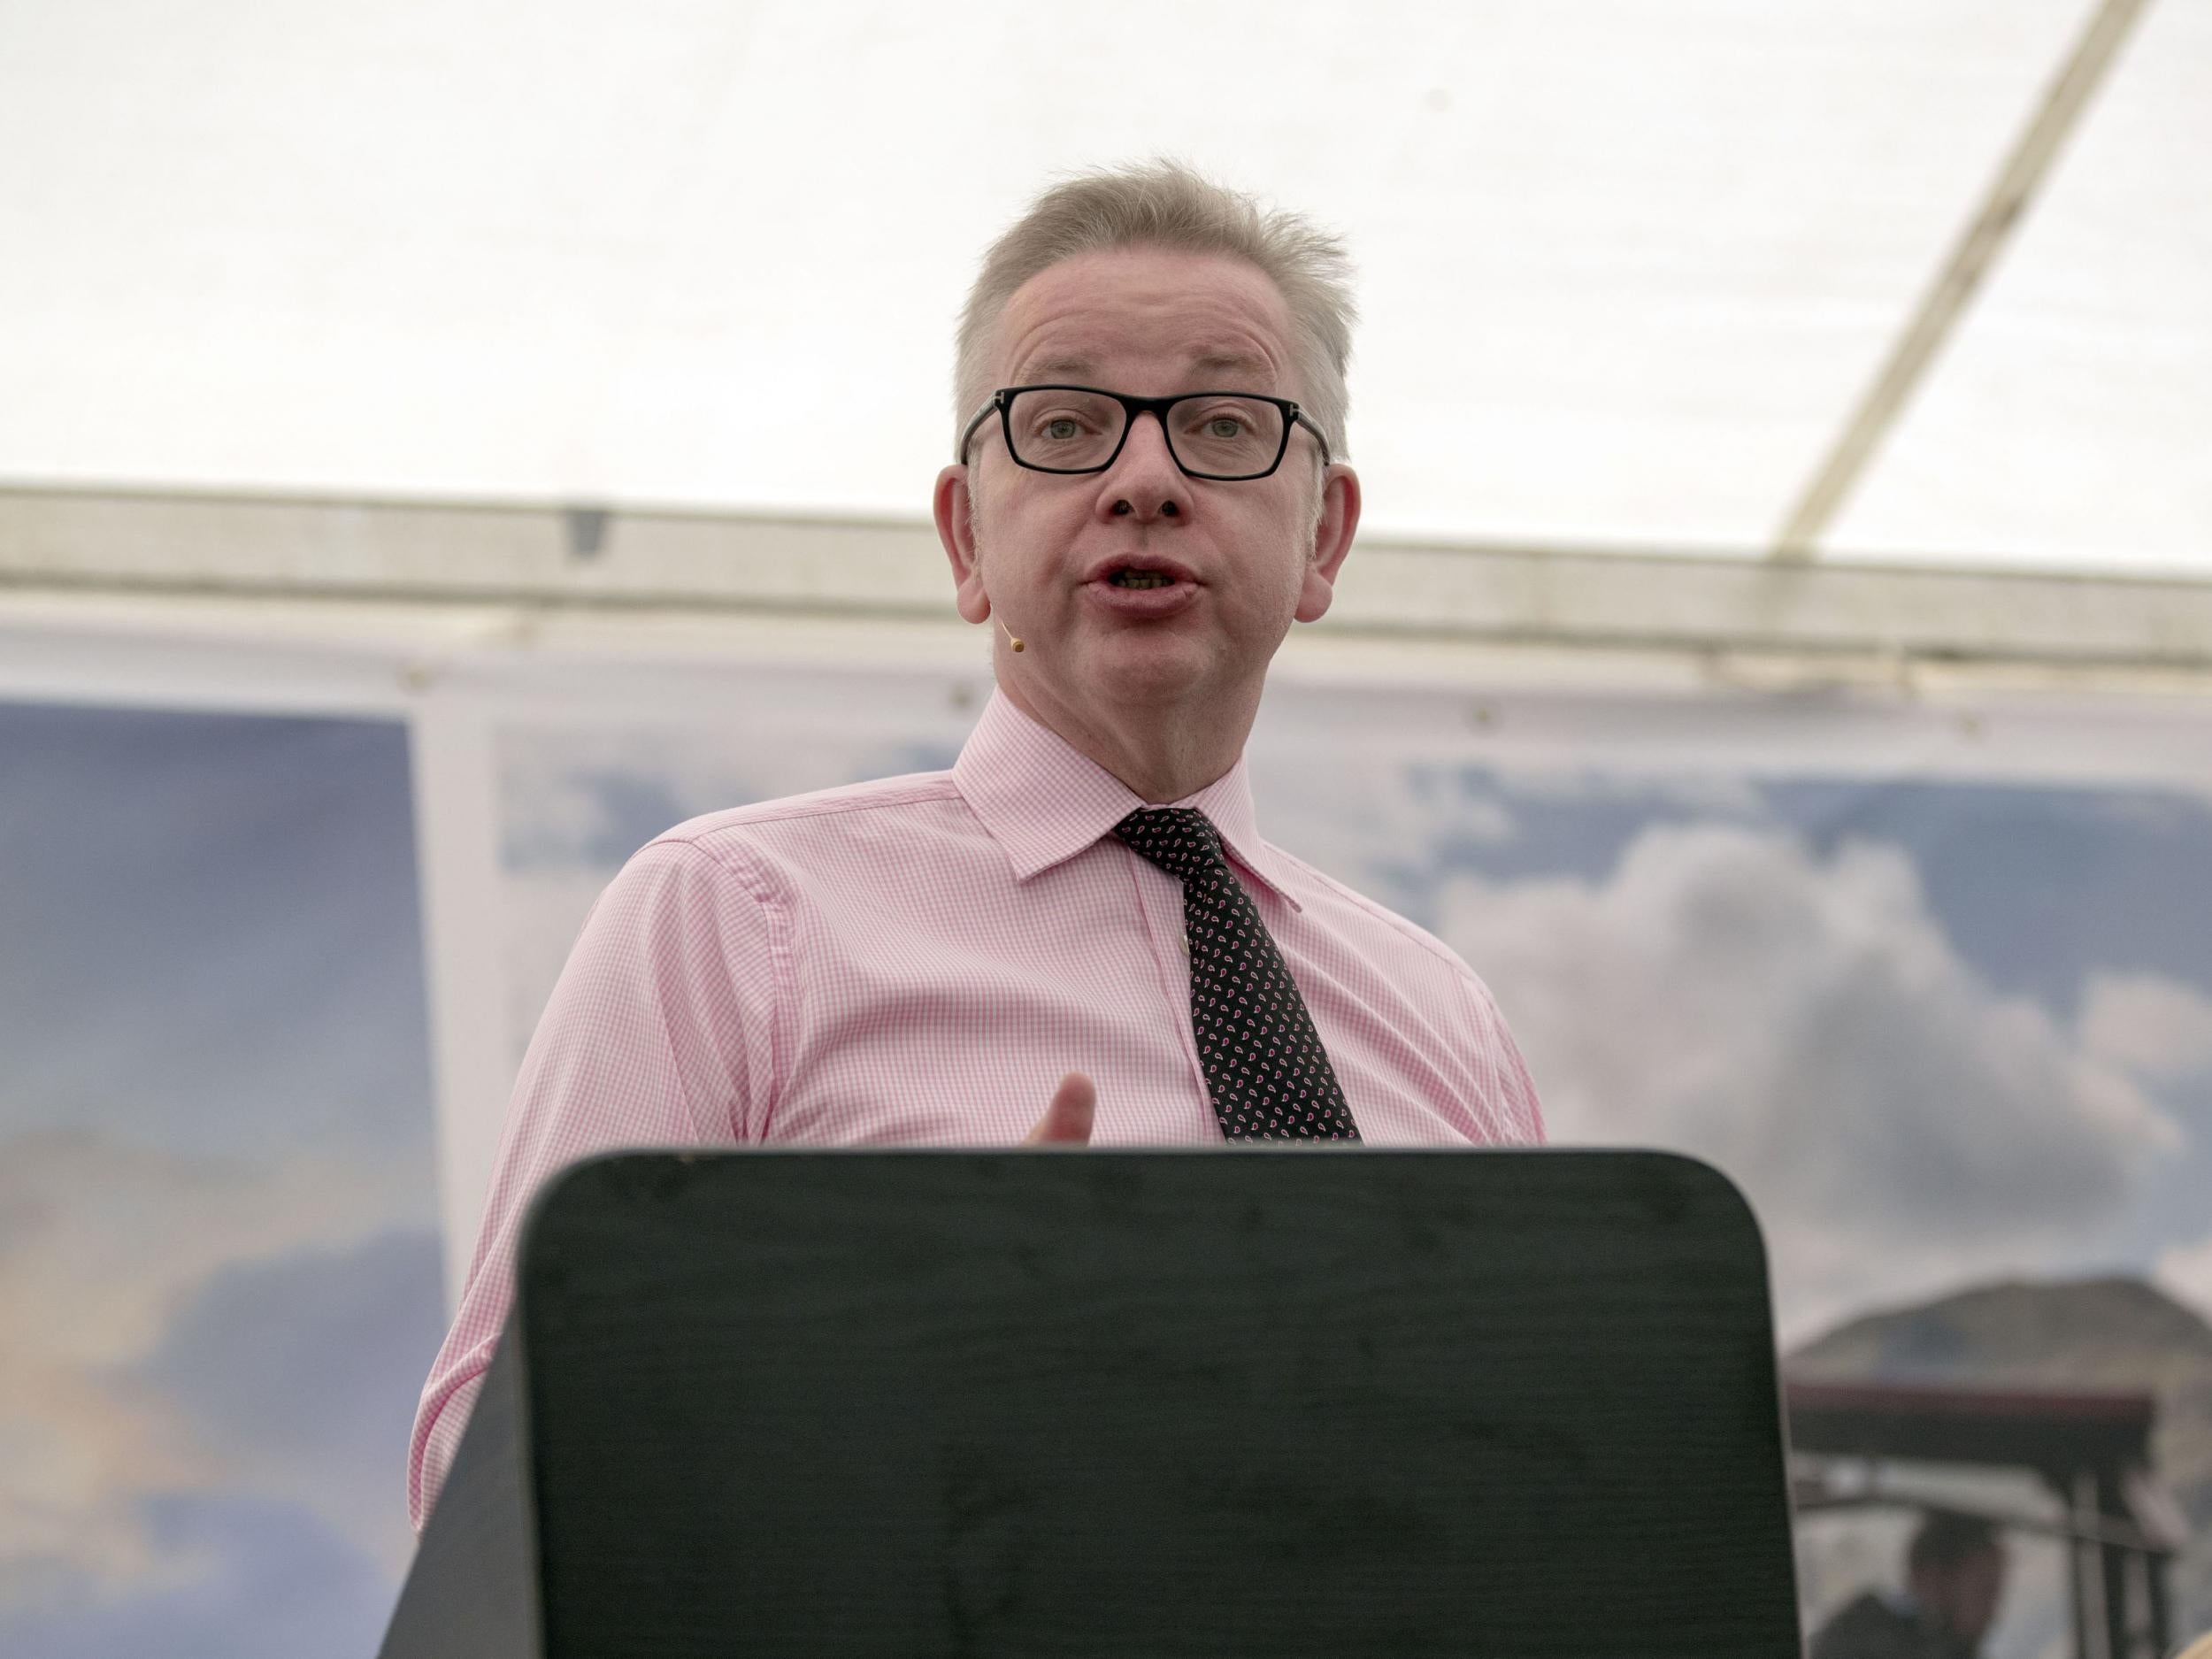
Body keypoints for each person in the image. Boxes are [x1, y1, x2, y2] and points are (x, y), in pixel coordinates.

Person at [407, 159, 1546, 1530]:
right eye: (1065, 426)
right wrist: (900, 1376)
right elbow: (486, 1482)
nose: (1144, 478)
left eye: (1226, 423)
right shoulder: (736, 920)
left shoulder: (1447, 1020)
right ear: (965, 537)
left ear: (1325, 535)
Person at [1809, 1510, 2008, 1659]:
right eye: (1984, 1592)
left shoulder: (1957, 1649)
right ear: (1932, 1579)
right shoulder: (1861, 1637)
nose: (1992, 1611)